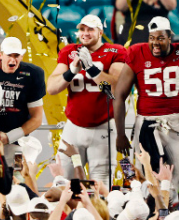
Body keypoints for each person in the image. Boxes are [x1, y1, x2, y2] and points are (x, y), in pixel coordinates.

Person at [113, 16, 179, 193]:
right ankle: (150, 212)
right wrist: (120, 133)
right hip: (146, 122)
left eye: (160, 38)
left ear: (170, 38)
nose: (155, 43)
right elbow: (119, 95)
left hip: (177, 122)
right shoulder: (136, 53)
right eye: (151, 38)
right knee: (146, 173)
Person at [47, 15, 126, 187]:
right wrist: (71, 71)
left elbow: (116, 89)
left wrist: (92, 70)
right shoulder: (69, 51)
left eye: (90, 29)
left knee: (101, 185)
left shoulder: (115, 51)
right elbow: (52, 88)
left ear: (100, 32)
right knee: (63, 183)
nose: (85, 33)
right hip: (73, 127)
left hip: (103, 127)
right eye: (82, 29)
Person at [0, 37, 46, 164]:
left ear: (22, 56)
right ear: (0, 55)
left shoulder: (33, 74)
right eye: (9, 55)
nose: (13, 59)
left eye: (17, 55)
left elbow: (37, 118)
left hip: (17, 142)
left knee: (20, 176)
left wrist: (9, 137)